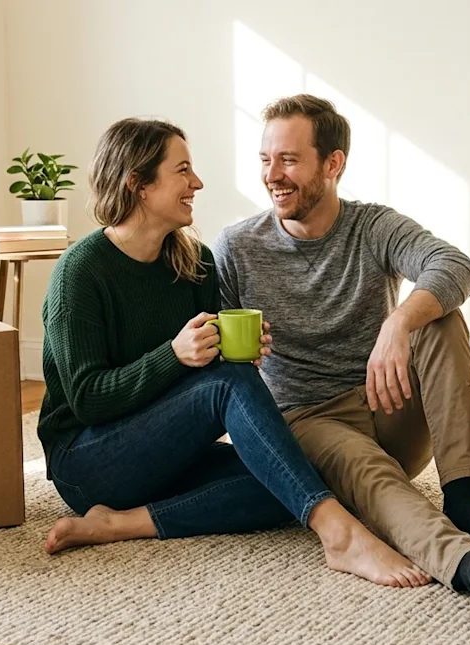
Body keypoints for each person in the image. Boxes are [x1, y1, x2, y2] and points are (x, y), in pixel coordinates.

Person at [35, 117, 429, 589]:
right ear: (138, 183)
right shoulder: (81, 273)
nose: (196, 183)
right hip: (89, 462)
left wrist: (234, 355)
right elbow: (86, 399)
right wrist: (175, 355)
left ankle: (121, 523)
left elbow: (206, 386)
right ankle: (338, 534)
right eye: (182, 171)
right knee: (264, 435)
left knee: (287, 481)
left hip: (165, 455)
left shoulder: (195, 262)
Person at [212, 95, 470, 606]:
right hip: (310, 419)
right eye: (265, 159)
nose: (273, 174)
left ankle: (463, 498)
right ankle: (468, 566)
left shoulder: (373, 226)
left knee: (440, 320)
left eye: (289, 160)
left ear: (333, 164)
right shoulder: (237, 246)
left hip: (387, 402)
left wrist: (399, 321)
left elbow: (455, 265)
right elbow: (218, 364)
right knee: (370, 474)